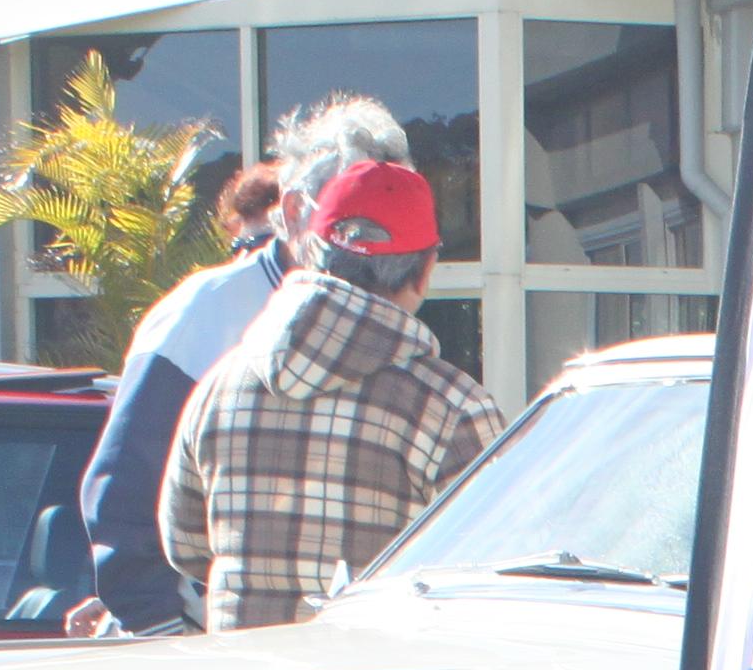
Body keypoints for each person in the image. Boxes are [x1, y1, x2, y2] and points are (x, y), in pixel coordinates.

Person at [78, 98, 413, 633]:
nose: (366, 241)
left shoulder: (389, 315)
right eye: (348, 213)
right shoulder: (204, 311)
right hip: (209, 642)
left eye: (385, 219)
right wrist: (162, 630)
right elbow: (123, 492)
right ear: (295, 211)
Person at [160, 156, 503, 633]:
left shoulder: (218, 386)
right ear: (425, 270)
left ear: (314, 250)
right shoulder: (453, 408)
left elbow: (185, 547)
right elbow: (497, 564)